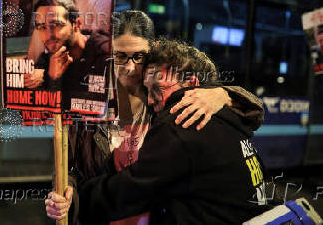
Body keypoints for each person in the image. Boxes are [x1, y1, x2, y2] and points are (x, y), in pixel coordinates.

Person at [45, 11, 265, 224]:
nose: (129, 68)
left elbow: (252, 113)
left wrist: (224, 94)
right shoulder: (88, 102)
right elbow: (69, 167)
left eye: (138, 56)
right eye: (120, 56)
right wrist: (65, 195)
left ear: (153, 54)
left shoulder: (172, 104)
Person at [25, 0, 111, 114]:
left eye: (56, 25)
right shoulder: (49, 55)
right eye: (42, 27)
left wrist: (49, 79)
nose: (49, 35)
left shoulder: (102, 53)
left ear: (77, 24)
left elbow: (96, 106)